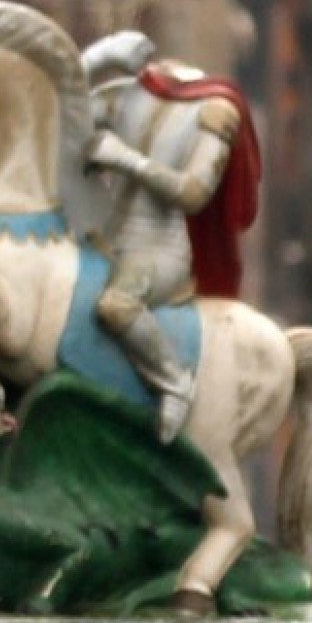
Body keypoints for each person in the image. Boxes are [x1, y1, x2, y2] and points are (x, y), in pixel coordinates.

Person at [80, 29, 263, 444]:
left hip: (159, 249)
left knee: (116, 306)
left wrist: (125, 159)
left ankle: (173, 382)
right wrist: (94, 59)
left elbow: (194, 192)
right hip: (105, 238)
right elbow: (60, 113)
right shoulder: (129, 93)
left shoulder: (215, 112)